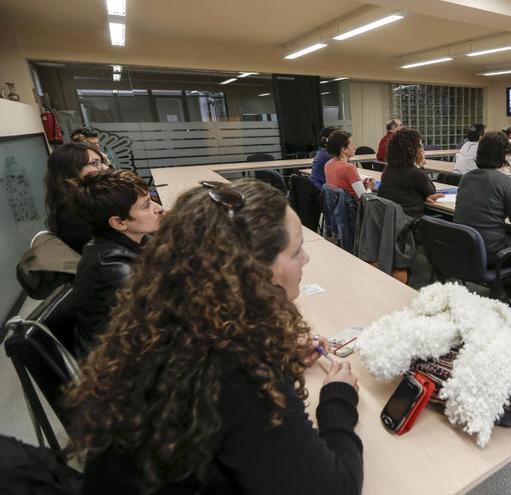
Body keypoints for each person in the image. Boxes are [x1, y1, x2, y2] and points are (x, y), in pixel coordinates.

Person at [66, 180, 363, 493]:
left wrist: (279, 355)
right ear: (254, 270)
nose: (306, 259)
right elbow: (334, 488)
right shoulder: (232, 369)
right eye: (296, 250)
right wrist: (338, 399)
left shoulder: (167, 322)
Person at [70, 169, 163, 355]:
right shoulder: (112, 267)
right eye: (146, 205)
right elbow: (161, 320)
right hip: (119, 361)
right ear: (119, 223)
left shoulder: (135, 238)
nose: (158, 208)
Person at [454, 131, 511, 264]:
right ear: (503, 155)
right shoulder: (504, 181)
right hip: (492, 252)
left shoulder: (466, 178)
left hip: (465, 247)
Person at [44, 142, 110, 253]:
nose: (105, 167)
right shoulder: (71, 213)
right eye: (95, 163)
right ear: (70, 175)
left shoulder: (91, 199)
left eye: (101, 162)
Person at [378, 128, 443, 218]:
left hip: (391, 221)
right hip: (408, 223)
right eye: (420, 146)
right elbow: (432, 191)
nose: (422, 149)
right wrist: (419, 166)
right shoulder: (415, 173)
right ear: (411, 149)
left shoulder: (388, 169)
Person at [325, 130, 375, 199]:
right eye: (352, 144)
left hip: (337, 207)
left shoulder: (328, 164)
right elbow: (364, 199)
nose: (354, 147)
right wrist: (370, 188)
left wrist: (361, 184)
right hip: (353, 207)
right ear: (344, 149)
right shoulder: (349, 168)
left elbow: (344, 185)